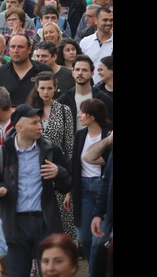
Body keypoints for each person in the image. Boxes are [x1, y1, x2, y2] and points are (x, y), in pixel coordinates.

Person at [0, 105, 71, 277]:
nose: (40, 127)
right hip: (15, 224)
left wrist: (59, 173)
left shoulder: (52, 150)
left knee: (51, 273)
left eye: (39, 122)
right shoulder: (0, 153)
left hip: (44, 223)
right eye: (34, 123)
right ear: (19, 127)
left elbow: (67, 185)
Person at [65, 98, 111, 268]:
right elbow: (75, 165)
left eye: (82, 112)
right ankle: (97, 268)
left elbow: (106, 162)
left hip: (102, 186)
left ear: (92, 116)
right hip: (82, 187)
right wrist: (69, 191)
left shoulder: (108, 135)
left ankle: (95, 272)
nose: (79, 115)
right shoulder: (80, 135)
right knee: (84, 237)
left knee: (99, 238)